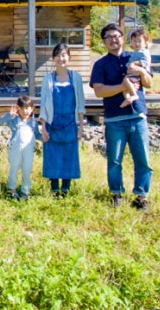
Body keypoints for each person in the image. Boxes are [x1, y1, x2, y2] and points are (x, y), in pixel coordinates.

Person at [90, 23, 154, 211]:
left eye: (116, 36)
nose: (113, 40)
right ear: (103, 42)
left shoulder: (135, 56)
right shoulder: (100, 64)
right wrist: (123, 86)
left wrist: (141, 71)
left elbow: (148, 83)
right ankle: (116, 193)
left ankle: (141, 196)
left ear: (123, 38)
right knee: (114, 160)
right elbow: (99, 91)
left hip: (137, 116)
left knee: (143, 159)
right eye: (109, 37)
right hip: (114, 119)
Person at [39, 43, 86, 198]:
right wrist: (44, 128)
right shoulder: (48, 79)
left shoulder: (76, 77)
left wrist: (80, 126)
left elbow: (80, 103)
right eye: (58, 55)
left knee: (69, 155)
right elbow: (44, 104)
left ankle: (65, 189)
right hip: (53, 123)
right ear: (53, 59)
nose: (61, 58)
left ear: (69, 57)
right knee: (52, 155)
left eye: (64, 55)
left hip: (70, 123)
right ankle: (54, 189)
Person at [0, 95, 42, 201]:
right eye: (22, 109)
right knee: (14, 168)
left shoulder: (33, 122)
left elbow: (37, 134)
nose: (25, 111)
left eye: (27, 108)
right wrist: (9, 115)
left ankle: (25, 191)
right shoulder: (14, 120)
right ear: (18, 109)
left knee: (27, 169)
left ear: (32, 108)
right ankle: (12, 190)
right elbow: (0, 121)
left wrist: (45, 137)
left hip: (28, 150)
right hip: (15, 149)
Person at [120, 28, 152, 108]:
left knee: (126, 80)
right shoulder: (135, 52)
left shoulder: (144, 52)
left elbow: (146, 62)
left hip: (138, 74)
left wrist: (134, 63)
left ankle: (134, 95)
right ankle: (128, 100)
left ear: (145, 43)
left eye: (139, 41)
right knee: (125, 88)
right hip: (133, 73)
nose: (137, 43)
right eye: (134, 41)